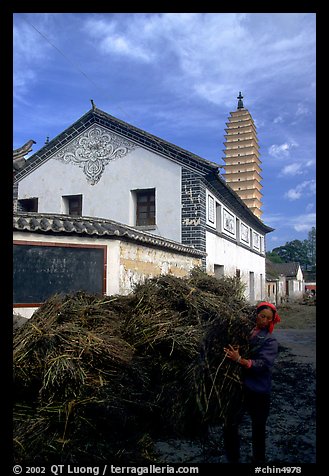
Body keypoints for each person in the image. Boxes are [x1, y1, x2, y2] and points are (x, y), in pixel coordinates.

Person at [223, 301, 281, 464]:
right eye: (262, 316)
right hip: (240, 387)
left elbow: (263, 365)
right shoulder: (246, 332)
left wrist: (239, 359)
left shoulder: (270, 341)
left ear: (271, 321)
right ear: (256, 314)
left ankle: (259, 461)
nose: (263, 320)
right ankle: (232, 458)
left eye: (268, 318)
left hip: (259, 390)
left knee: (258, 428)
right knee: (230, 424)